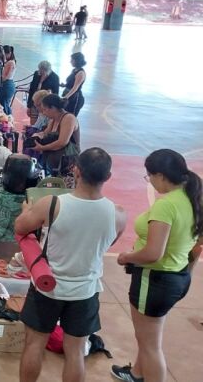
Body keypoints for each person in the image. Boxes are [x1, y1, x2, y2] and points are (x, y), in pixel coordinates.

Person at [15, 147, 127, 382]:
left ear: (76, 170)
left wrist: (27, 210)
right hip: (86, 291)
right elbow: (106, 243)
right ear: (107, 177)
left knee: (34, 344)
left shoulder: (52, 204)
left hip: (48, 286)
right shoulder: (117, 214)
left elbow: (20, 228)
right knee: (75, 352)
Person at [111, 149, 203, 382]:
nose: (150, 180)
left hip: (154, 280)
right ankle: (136, 374)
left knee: (151, 345)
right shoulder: (192, 197)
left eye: (150, 176)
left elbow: (153, 253)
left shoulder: (167, 205)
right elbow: (196, 245)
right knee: (148, 337)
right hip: (177, 276)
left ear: (161, 176)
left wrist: (127, 257)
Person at [30, 94, 81, 184]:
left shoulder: (69, 118)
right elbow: (45, 133)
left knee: (64, 186)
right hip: (55, 160)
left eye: (45, 109)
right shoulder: (53, 119)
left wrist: (42, 148)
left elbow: (62, 142)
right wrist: (36, 135)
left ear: (53, 108)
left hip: (67, 161)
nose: (44, 113)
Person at [27, 61, 60, 125]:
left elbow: (56, 94)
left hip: (45, 105)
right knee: (33, 123)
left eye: (42, 70)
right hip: (34, 102)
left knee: (43, 123)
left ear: (47, 70)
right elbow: (31, 90)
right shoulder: (37, 74)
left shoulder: (55, 77)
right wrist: (29, 106)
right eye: (39, 69)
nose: (40, 72)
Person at [63, 52, 86, 117]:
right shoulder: (74, 70)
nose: (70, 61)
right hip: (70, 95)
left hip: (75, 98)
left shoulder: (80, 73)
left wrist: (66, 97)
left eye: (72, 60)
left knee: (70, 116)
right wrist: (65, 85)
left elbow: (75, 87)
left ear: (77, 61)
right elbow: (71, 83)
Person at [0, 45, 17, 115]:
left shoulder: (10, 63)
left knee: (4, 104)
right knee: (3, 103)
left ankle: (7, 119)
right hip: (7, 84)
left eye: (4, 54)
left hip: (7, 85)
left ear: (9, 53)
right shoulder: (9, 62)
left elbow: (6, 76)